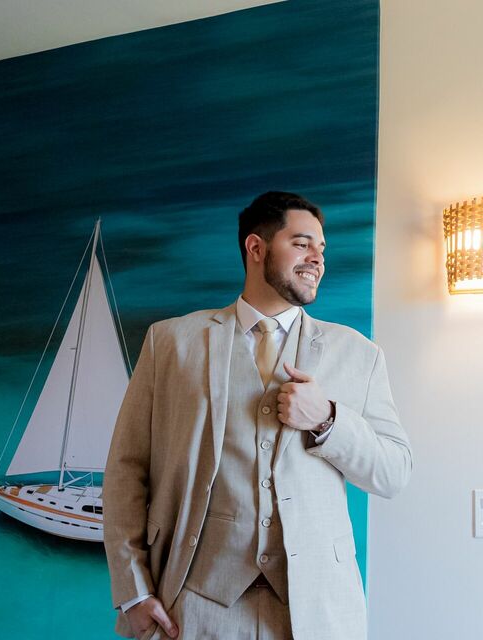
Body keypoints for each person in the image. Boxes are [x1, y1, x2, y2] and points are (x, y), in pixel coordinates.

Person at [103, 191, 412, 640]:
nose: (317, 259)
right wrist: (132, 592)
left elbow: (393, 473)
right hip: (194, 608)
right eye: (302, 244)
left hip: (316, 611)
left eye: (322, 248)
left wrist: (328, 419)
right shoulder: (170, 343)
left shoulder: (358, 355)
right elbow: (126, 470)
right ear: (256, 247)